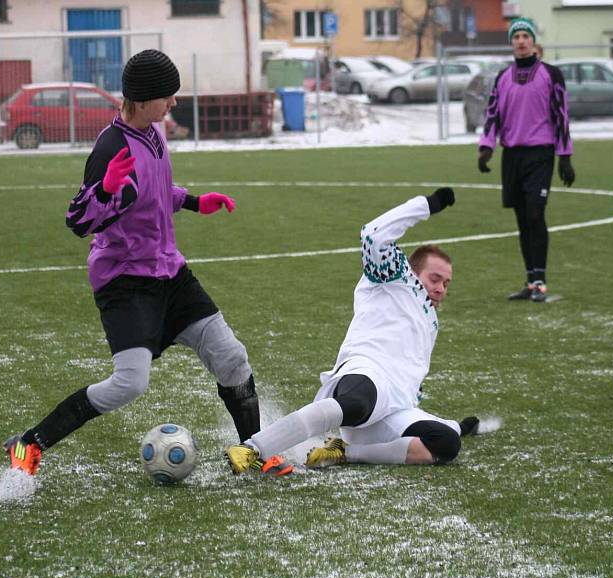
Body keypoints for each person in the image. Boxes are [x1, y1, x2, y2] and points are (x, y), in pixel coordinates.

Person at [3, 49, 288, 476]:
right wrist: (104, 190)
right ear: (141, 99)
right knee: (129, 384)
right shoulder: (111, 147)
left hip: (170, 274)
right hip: (126, 282)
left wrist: (193, 201)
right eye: (167, 96)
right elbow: (78, 219)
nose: (173, 102)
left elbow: (156, 191)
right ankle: (28, 445)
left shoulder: (155, 133)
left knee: (232, 358)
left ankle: (254, 451)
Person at [225, 188, 479, 476]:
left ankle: (345, 452)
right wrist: (428, 205)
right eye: (435, 278)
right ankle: (253, 447)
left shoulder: (430, 322)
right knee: (357, 403)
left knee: (447, 443)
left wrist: (459, 426)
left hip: (394, 408)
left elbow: (412, 377)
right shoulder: (395, 276)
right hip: (368, 373)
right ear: (413, 270)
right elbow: (374, 234)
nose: (440, 288)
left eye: (446, 284)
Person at [477, 17, 575, 303]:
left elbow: (562, 117)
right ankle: (530, 282)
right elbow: (493, 114)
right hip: (513, 156)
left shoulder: (551, 74)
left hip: (540, 154)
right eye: (516, 36)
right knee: (522, 219)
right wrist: (486, 148)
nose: (520, 41)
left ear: (533, 41)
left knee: (535, 213)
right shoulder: (503, 78)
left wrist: (565, 156)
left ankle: (541, 283)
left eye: (525, 36)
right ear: (511, 42)